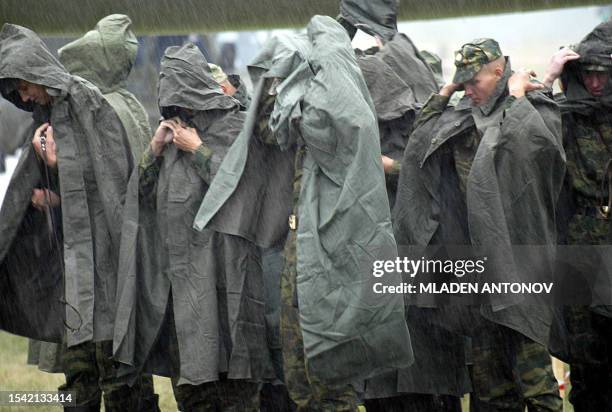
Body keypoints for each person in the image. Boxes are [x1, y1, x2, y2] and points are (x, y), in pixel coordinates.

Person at [193, 15, 414, 411]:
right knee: (299, 371)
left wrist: (295, 86)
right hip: (301, 248)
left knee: (332, 374)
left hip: (335, 249)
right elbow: (268, 131)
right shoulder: (301, 111)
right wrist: (272, 84)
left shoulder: (340, 107)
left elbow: (328, 125)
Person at [393, 38, 565, 411]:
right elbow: (418, 148)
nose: (469, 89)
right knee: (489, 389)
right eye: (464, 82)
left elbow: (534, 151)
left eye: (476, 81)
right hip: (478, 274)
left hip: (521, 265)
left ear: (500, 70)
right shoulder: (460, 116)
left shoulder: (531, 106)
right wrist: (444, 92)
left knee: (535, 385)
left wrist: (517, 98)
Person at [113, 42, 268, 411]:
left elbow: (245, 194)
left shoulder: (233, 126)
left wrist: (199, 150)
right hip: (183, 290)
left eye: (181, 98)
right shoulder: (170, 137)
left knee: (234, 392)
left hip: (226, 279)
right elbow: (136, 203)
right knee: (194, 392)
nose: (178, 109)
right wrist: (154, 151)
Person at [0, 23, 145, 411]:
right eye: (15, 92)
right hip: (74, 273)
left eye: (24, 86)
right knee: (79, 380)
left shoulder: (89, 104)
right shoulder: (49, 113)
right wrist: (52, 197)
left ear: (37, 73)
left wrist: (57, 162)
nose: (23, 96)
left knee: (121, 380)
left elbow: (113, 185)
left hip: (106, 269)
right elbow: (82, 197)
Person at [542, 20, 612, 411]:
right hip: (582, 247)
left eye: (603, 75)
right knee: (586, 358)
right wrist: (551, 77)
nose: (596, 84)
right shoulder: (567, 114)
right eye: (589, 74)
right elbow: (527, 132)